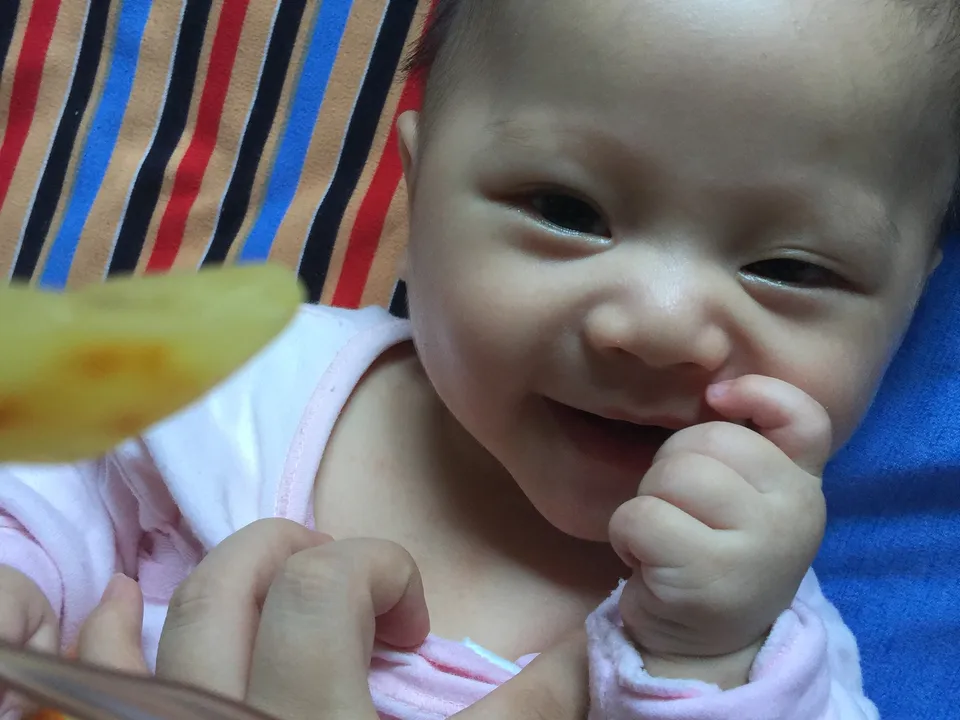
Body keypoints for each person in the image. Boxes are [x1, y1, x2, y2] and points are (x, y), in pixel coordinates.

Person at [1, 0, 956, 716]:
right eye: (567, 211)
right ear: (418, 194)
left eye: (788, 268)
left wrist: (701, 664)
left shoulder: (759, 651)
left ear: (911, 305)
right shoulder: (248, 377)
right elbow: (58, 472)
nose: (657, 326)